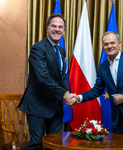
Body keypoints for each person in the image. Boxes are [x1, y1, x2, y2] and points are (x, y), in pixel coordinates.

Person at [72, 31, 123, 150]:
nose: (109, 46)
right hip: (118, 116)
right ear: (103, 46)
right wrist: (79, 97)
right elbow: (97, 90)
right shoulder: (102, 67)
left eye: (112, 43)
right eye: (106, 44)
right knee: (119, 148)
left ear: (119, 43)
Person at [18, 13, 78, 150]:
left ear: (64, 30)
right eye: (54, 26)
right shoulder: (38, 48)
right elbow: (43, 78)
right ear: (47, 28)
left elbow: (62, 76)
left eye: (60, 27)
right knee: (37, 145)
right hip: (37, 105)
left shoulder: (61, 51)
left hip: (54, 105)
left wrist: (68, 94)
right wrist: (64, 95)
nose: (57, 29)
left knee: (55, 144)